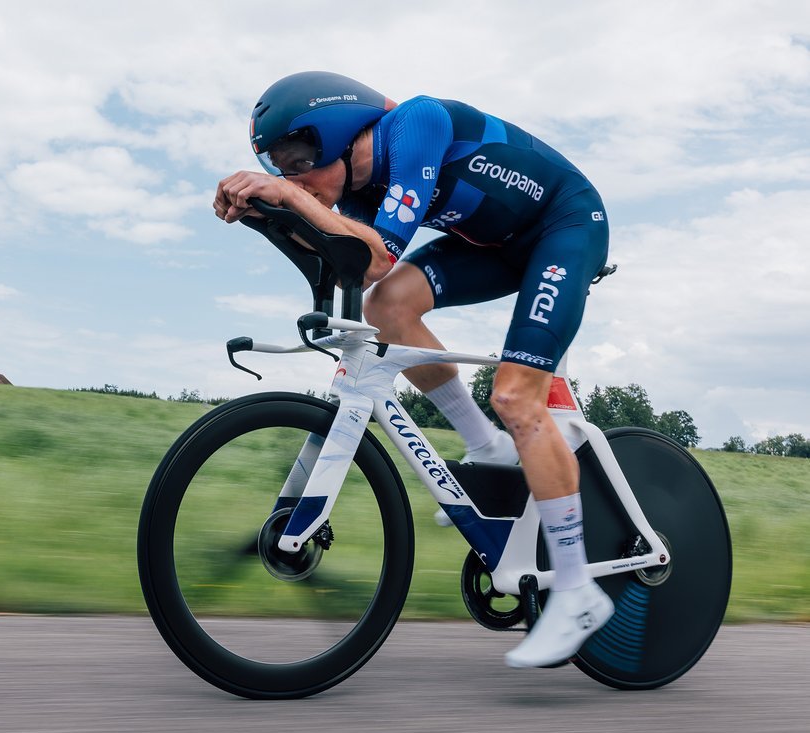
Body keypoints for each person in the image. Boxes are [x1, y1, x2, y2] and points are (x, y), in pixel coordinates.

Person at [214, 71, 614, 669]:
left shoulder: (416, 124)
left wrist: (290, 197)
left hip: (564, 226)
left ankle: (580, 590)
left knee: (516, 396)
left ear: (339, 135)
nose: (288, 175)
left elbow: (376, 256)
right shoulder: (354, 192)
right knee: (389, 309)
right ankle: (486, 447)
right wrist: (265, 214)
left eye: (295, 157)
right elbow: (348, 266)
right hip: (493, 247)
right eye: (274, 164)